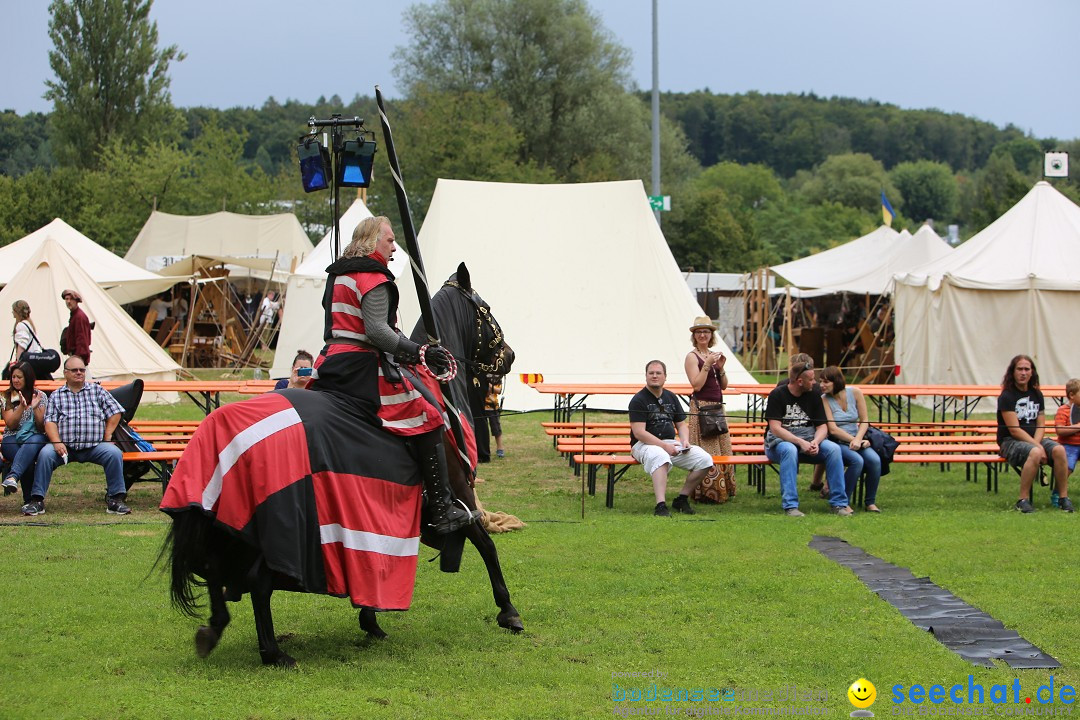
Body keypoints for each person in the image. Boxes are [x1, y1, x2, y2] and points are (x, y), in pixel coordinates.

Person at [309, 216, 478, 534]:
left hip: (329, 362)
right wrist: (419, 352)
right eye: (389, 240)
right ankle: (441, 509)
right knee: (428, 415)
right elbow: (377, 333)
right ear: (373, 241)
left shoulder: (338, 275)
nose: (394, 247)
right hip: (362, 367)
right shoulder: (372, 276)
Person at [21, 355, 128, 517]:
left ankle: (115, 499)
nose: (79, 373)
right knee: (45, 454)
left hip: (95, 445)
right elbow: (50, 422)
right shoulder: (57, 395)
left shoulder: (97, 391)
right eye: (74, 370)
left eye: (82, 370)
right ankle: (37, 500)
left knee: (113, 453)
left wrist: (108, 434)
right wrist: (56, 442)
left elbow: (115, 412)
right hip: (64, 447)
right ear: (65, 373)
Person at [763, 356, 849, 516]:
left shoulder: (814, 394)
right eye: (811, 379)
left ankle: (839, 504)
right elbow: (775, 428)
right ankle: (791, 506)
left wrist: (816, 441)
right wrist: (800, 442)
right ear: (799, 382)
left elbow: (822, 426)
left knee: (834, 449)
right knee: (789, 449)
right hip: (779, 443)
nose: (815, 382)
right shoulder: (777, 395)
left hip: (809, 440)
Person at [628, 360, 714, 517]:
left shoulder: (671, 397)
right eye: (651, 373)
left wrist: (684, 441)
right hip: (643, 445)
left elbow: (681, 425)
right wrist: (664, 446)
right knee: (660, 455)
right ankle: (660, 506)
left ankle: (681, 499)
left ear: (665, 377)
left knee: (705, 459)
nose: (655, 376)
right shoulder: (638, 400)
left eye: (658, 373)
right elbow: (639, 433)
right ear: (646, 376)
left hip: (669, 443)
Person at [997, 355, 1072, 513]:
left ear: (1032, 372)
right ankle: (1022, 500)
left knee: (1059, 450)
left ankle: (1062, 498)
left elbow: (1040, 424)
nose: (1023, 373)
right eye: (1019, 369)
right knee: (1036, 452)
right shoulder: (1007, 396)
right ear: (1013, 372)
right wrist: (1037, 445)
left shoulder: (1037, 394)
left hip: (1035, 439)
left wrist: (1037, 443)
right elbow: (1014, 430)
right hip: (1009, 441)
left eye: (1027, 369)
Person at [683, 316, 736, 504]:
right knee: (706, 450)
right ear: (694, 336)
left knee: (721, 449)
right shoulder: (692, 357)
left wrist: (720, 368)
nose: (702, 335)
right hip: (702, 408)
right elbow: (696, 385)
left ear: (711, 335)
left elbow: (724, 386)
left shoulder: (712, 355)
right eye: (699, 332)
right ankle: (706, 492)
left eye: (706, 331)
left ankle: (722, 489)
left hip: (717, 408)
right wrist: (706, 365)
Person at [819, 365, 882, 513]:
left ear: (837, 381)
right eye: (820, 381)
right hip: (838, 441)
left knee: (875, 460)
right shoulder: (824, 400)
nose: (822, 385)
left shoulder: (855, 392)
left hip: (857, 439)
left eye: (826, 382)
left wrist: (858, 439)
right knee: (857, 461)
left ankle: (870, 502)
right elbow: (832, 429)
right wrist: (853, 440)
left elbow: (865, 420)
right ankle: (843, 501)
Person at [1, 362, 47, 502]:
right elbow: (11, 424)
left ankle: (12, 476)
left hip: (34, 437)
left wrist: (34, 408)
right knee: (25, 460)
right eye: (13, 377)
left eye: (19, 377)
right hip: (12, 438)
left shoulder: (40, 396)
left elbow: (41, 427)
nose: (15, 380)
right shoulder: (6, 397)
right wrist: (21, 407)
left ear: (27, 377)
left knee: (34, 442)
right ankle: (31, 501)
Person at [8, 300, 44, 378]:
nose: (12, 312)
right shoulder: (29, 323)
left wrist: (17, 364)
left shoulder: (21, 325)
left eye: (13, 310)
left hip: (28, 363)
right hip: (34, 359)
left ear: (17, 312)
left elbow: (22, 345)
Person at [1054, 378, 1080, 477]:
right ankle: (1058, 490)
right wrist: (1078, 427)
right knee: (1067, 466)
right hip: (1069, 445)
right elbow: (1060, 431)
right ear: (1072, 395)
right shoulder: (1063, 410)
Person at [60, 289, 92, 366]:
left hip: (79, 360)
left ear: (76, 301)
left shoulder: (79, 317)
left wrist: (78, 361)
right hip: (76, 358)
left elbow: (81, 341)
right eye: (67, 299)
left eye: (71, 299)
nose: (68, 301)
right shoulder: (74, 315)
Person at [483, 373, 505, 459]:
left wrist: (489, 386)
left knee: (496, 428)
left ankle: (500, 448)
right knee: (482, 429)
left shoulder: (497, 376)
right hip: (482, 405)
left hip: (493, 406)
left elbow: (499, 390)